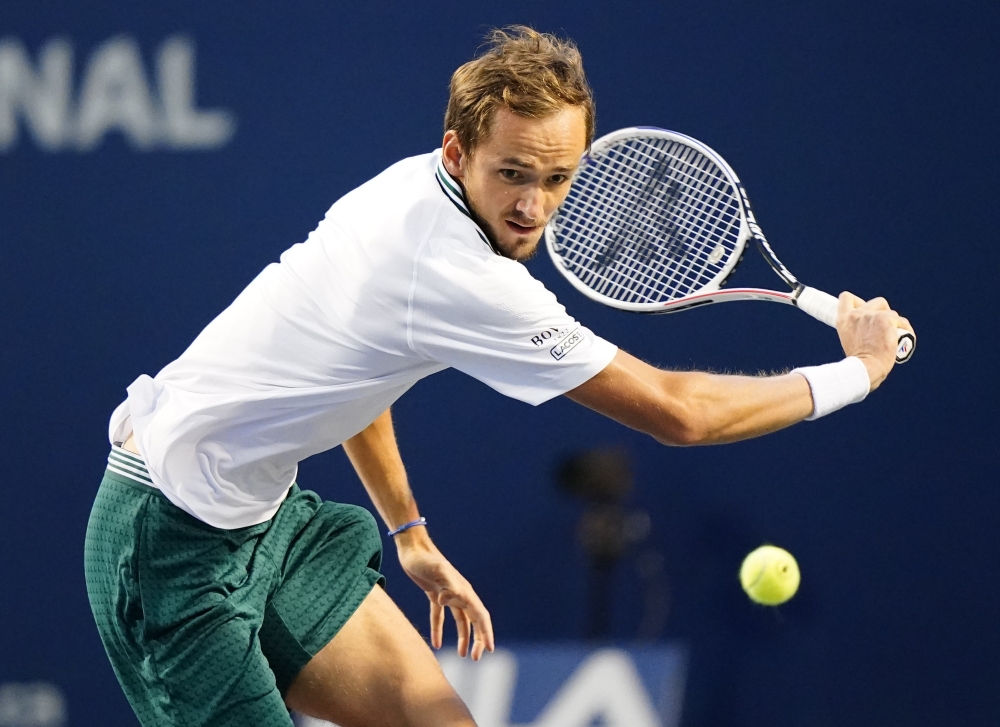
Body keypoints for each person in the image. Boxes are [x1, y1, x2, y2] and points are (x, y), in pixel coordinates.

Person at [84, 25, 913, 727]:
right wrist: (859, 372)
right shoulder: (457, 273)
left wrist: (409, 531)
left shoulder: (409, 186)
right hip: (168, 543)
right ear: (459, 150)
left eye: (557, 178)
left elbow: (356, 376)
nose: (533, 206)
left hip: (260, 519)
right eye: (512, 173)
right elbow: (678, 412)